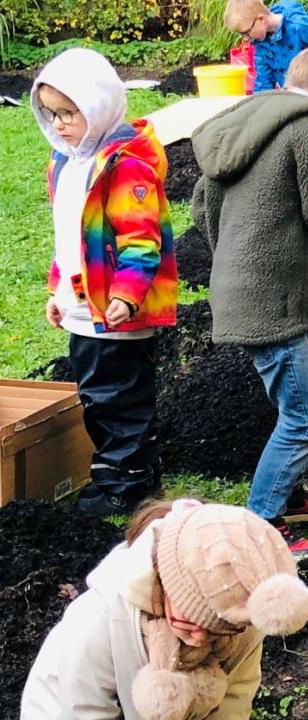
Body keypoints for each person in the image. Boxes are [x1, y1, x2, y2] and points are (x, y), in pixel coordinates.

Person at [191, 47, 308, 557]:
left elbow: (201, 206)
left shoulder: (247, 120)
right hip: (271, 301)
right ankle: (263, 525)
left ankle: (289, 493)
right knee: (304, 415)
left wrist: (236, 263)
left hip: (247, 290)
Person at [31, 48, 178, 518]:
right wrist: (58, 291)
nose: (60, 124)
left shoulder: (126, 166)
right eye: (51, 114)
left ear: (98, 106)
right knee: (97, 395)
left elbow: (140, 240)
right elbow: (69, 238)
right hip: (81, 308)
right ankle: (122, 469)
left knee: (120, 396)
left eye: (69, 113)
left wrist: (126, 295)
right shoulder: (67, 164)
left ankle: (127, 481)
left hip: (115, 311)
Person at [21, 499, 308, 720]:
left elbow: (234, 703)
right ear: (167, 581)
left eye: (216, 631)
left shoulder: (243, 620)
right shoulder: (97, 621)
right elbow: (81, 712)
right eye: (192, 620)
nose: (200, 639)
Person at [224, 0, 308, 92]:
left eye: (246, 32)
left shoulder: (301, 27)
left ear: (261, 19)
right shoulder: (261, 46)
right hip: (292, 96)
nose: (246, 38)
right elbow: (263, 83)